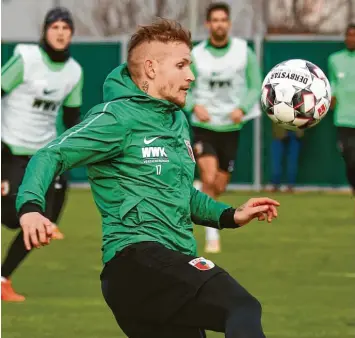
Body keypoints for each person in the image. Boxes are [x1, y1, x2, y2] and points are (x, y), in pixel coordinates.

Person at [17, 19, 279, 337]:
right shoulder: (115, 117)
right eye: (181, 65)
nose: (191, 76)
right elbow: (51, 154)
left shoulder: (177, 120)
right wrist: (31, 207)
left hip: (168, 268)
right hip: (137, 261)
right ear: (152, 69)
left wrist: (230, 215)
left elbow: (181, 192)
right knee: (241, 306)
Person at [1, 6, 83, 302]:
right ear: (45, 31)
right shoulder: (26, 58)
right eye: (55, 27)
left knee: (41, 223)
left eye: (66, 28)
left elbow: (73, 117)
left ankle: (2, 279)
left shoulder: (74, 71)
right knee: (13, 217)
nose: (60, 33)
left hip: (43, 156)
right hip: (9, 150)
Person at [186, 2, 262, 253]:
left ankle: (196, 191)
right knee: (208, 177)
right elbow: (183, 85)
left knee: (217, 185)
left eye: (223, 20)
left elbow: (255, 85)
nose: (219, 24)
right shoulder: (196, 54)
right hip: (204, 127)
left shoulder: (243, 51)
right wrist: (194, 105)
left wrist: (243, 107)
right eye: (214, 20)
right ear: (207, 24)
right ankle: (212, 237)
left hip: (231, 127)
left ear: (228, 24)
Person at [328, 23, 355, 200]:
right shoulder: (335, 59)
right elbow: (332, 85)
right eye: (349, 35)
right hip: (344, 119)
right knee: (351, 161)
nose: (352, 39)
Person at [269, 125, 304, 192]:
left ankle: (290, 186)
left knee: (292, 162)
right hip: (279, 132)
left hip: (295, 133)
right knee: (277, 161)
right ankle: (275, 185)